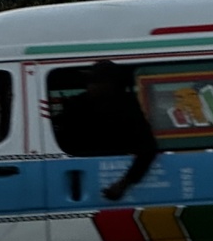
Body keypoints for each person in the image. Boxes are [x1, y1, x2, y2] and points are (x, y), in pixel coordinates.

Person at [56, 59, 157, 200]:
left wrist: (124, 183)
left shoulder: (127, 107)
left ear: (111, 85)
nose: (89, 86)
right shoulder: (78, 104)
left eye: (95, 82)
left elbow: (148, 148)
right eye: (89, 82)